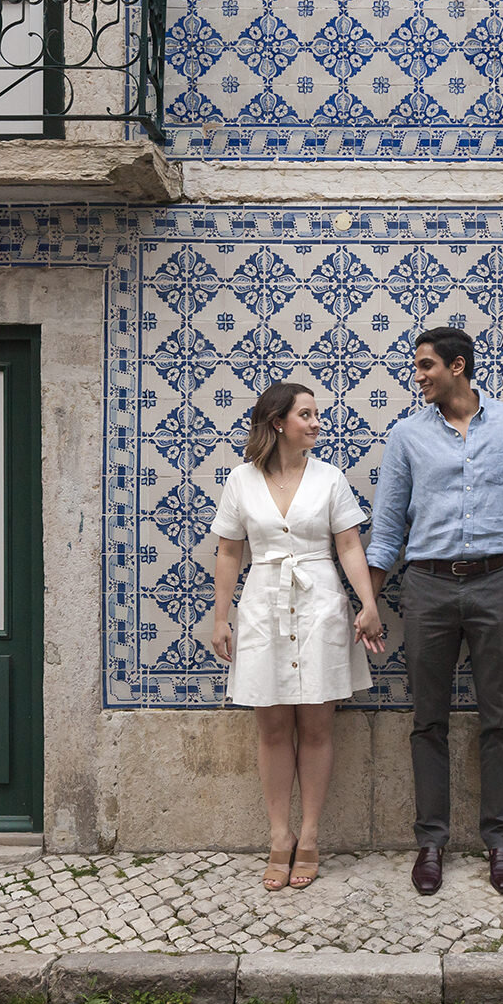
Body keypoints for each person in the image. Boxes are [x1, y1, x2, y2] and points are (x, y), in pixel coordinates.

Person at [364, 327, 503, 897]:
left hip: (498, 584)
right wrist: (368, 600)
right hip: (427, 588)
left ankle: (500, 842)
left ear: (458, 366)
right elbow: (388, 528)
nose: (418, 376)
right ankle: (431, 843)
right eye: (417, 367)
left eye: (426, 366)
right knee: (429, 719)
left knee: (498, 716)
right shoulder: (406, 437)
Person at [210, 381, 386, 891]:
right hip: (264, 603)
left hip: (320, 606)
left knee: (316, 727)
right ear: (277, 422)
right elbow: (228, 552)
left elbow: (350, 545)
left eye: (316, 414)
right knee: (270, 728)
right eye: (305, 414)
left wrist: (367, 604)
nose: (315, 422)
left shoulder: (330, 478)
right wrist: (222, 618)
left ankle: (309, 836)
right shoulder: (241, 481)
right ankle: (279, 836)